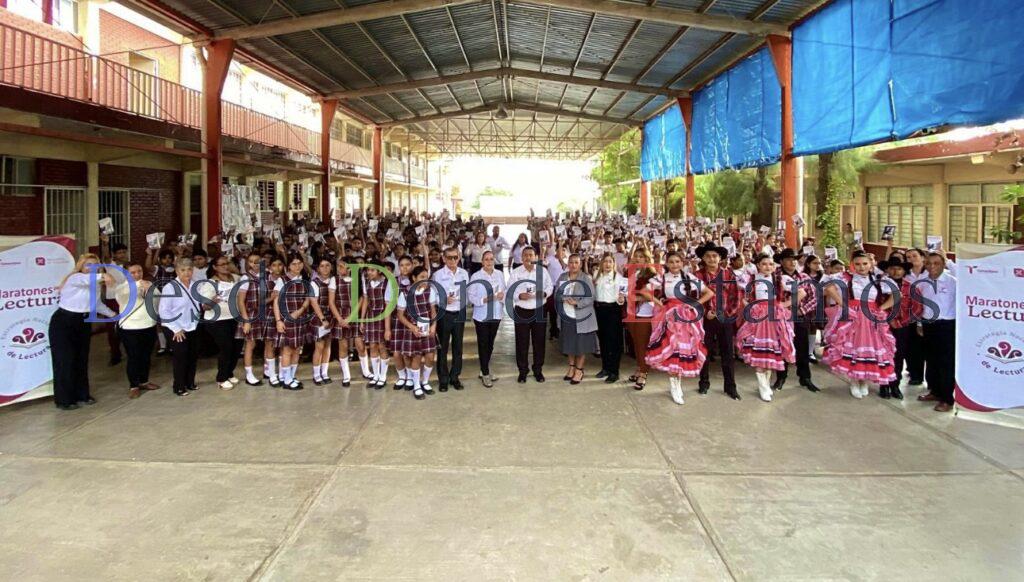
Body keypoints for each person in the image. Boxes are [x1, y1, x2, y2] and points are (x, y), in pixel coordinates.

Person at [822, 251, 897, 399]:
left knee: (870, 349)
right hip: (853, 317)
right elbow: (829, 289)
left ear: (871, 264)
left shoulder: (879, 279)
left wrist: (881, 308)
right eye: (857, 264)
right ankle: (854, 381)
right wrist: (844, 305)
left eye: (865, 264)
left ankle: (864, 381)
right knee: (853, 348)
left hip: (872, 318)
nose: (861, 267)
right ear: (853, 265)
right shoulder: (846, 278)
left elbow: (896, 295)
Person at [49, 253, 116, 410]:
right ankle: (64, 400)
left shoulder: (95, 284)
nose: (91, 268)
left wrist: (114, 315)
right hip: (64, 323)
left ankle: (82, 395)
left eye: (95, 265)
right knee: (65, 361)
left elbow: (97, 304)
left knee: (81, 359)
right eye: (88, 265)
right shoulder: (75, 278)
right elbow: (87, 280)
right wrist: (104, 275)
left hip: (83, 322)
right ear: (81, 266)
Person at [645, 252, 713, 404]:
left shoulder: (689, 277)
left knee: (683, 350)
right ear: (667, 263)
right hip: (669, 317)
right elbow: (644, 291)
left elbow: (709, 293)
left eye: (677, 261)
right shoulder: (662, 278)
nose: (675, 264)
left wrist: (695, 304)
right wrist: (659, 303)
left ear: (682, 263)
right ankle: (674, 386)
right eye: (671, 262)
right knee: (672, 349)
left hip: (686, 318)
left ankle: (678, 384)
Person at [735, 254, 801, 402]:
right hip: (758, 319)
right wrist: (751, 307)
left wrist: (783, 305)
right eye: (764, 264)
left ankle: (766, 384)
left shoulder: (780, 279)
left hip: (774, 318)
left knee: (771, 351)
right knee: (759, 351)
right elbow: (743, 297)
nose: (768, 267)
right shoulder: (751, 279)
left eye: (771, 264)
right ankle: (763, 387)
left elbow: (801, 292)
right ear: (758, 265)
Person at [693, 243, 742, 400]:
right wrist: (705, 312)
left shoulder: (729, 274)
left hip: (725, 318)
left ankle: (730, 386)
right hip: (705, 320)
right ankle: (704, 382)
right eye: (708, 256)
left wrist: (727, 313)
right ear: (703, 258)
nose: (711, 259)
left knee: (727, 353)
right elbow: (694, 297)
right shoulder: (697, 275)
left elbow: (736, 296)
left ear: (720, 258)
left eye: (714, 256)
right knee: (704, 352)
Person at [772, 248, 821, 392]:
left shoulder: (804, 277)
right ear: (781, 261)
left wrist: (802, 310)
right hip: (781, 317)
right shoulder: (775, 276)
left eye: (794, 259)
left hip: (799, 316)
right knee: (782, 346)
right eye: (788, 259)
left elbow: (814, 297)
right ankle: (781, 377)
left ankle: (805, 377)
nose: (792, 262)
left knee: (802, 347)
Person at [914, 252, 957, 412]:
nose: (932, 267)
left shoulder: (953, 281)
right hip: (928, 325)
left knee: (946, 363)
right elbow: (920, 304)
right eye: (928, 263)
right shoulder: (922, 281)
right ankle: (935, 391)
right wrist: (920, 323)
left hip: (946, 326)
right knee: (931, 360)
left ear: (943, 264)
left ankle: (947, 399)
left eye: (936, 263)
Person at [157, 258, 203, 397]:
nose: (186, 273)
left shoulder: (195, 285)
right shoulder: (170, 287)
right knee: (180, 356)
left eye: (189, 269)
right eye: (183, 270)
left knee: (193, 355)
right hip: (174, 327)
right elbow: (164, 311)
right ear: (177, 271)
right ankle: (179, 386)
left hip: (192, 325)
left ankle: (190, 382)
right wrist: (176, 328)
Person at [509, 246, 553, 383]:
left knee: (539, 342)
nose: (528, 257)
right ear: (521, 258)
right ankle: (523, 371)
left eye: (531, 255)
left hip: (539, 309)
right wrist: (519, 295)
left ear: (536, 257)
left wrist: (544, 293)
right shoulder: (516, 272)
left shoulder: (542, 271)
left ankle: (538, 370)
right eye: (525, 255)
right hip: (522, 310)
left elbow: (550, 286)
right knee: (522, 342)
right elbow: (510, 290)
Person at [115, 262, 160, 399]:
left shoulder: (149, 284)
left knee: (146, 355)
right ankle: (134, 385)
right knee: (134, 357)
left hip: (148, 325)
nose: (137, 274)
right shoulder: (121, 288)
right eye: (133, 272)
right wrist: (139, 285)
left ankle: (144, 381)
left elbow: (158, 301)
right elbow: (125, 296)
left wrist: (150, 289)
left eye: (139, 271)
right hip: (130, 327)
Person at [396, 266, 439, 400]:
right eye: (421, 277)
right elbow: (400, 315)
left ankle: (425, 382)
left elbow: (433, 311)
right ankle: (416, 386)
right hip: (413, 330)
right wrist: (412, 327)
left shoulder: (430, 291)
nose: (425, 280)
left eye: (426, 277)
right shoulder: (405, 293)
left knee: (430, 357)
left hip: (427, 329)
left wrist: (434, 326)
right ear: (414, 278)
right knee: (416, 357)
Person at [555, 254, 597, 385]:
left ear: (580, 264)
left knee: (580, 345)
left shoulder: (585, 278)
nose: (573, 265)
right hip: (566, 316)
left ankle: (579, 370)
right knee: (569, 344)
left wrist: (577, 303)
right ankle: (571, 367)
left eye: (576, 262)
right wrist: (562, 297)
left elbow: (591, 297)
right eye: (571, 262)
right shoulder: (563, 277)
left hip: (581, 317)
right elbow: (556, 294)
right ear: (568, 263)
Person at [432, 247, 470, 391]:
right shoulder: (437, 275)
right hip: (444, 313)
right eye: (449, 257)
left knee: (458, 346)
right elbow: (433, 295)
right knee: (443, 347)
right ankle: (443, 379)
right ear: (444, 258)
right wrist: (443, 300)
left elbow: (467, 292)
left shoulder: (464, 273)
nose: (453, 260)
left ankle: (455, 377)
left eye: (455, 257)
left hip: (459, 312)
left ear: (459, 258)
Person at [202, 255, 241, 390]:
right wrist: (213, 300)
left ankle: (229, 372)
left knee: (237, 347)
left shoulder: (236, 278)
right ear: (215, 267)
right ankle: (221, 378)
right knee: (226, 347)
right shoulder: (210, 283)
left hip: (234, 317)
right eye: (222, 264)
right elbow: (205, 307)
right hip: (217, 320)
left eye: (227, 263)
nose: (225, 266)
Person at [274, 255, 311, 391]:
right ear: (288, 266)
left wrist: (299, 311)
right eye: (293, 264)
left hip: (300, 318)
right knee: (287, 350)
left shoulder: (304, 279)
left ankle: (291, 376)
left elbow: (307, 299)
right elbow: (276, 302)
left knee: (297, 349)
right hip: (286, 319)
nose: (297, 266)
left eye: (299, 263)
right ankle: (286, 379)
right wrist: (278, 321)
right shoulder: (282, 280)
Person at [468, 251, 505, 387]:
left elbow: (505, 290)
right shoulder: (476, 276)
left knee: (490, 343)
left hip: (496, 313)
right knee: (483, 343)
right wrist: (484, 300)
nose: (489, 262)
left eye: (491, 259)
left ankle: (484, 368)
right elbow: (471, 296)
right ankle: (485, 373)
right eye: (486, 259)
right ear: (482, 262)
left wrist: (502, 296)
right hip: (482, 315)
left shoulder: (499, 274)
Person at [593, 254, 626, 384]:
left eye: (610, 262)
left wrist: (622, 298)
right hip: (599, 309)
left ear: (614, 264)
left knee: (613, 342)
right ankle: (605, 368)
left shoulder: (619, 278)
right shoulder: (597, 275)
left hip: (613, 310)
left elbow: (622, 296)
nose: (607, 264)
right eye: (605, 261)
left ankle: (614, 371)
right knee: (603, 340)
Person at [359, 260, 392, 389]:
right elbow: (366, 301)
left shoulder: (387, 283)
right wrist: (362, 320)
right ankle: (376, 375)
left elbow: (388, 305)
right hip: (371, 317)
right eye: (368, 270)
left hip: (383, 317)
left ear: (379, 271)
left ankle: (383, 376)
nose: (369, 272)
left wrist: (387, 328)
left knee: (382, 346)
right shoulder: (367, 283)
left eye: (372, 270)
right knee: (372, 346)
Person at [236, 253, 267, 386]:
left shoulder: (265, 276)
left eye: (257, 261)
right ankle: (249, 374)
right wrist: (246, 320)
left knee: (268, 342)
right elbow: (241, 301)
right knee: (250, 344)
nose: (255, 264)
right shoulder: (246, 278)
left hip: (264, 313)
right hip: (250, 314)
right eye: (251, 262)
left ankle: (267, 370)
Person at [328, 256, 357, 387]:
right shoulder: (335, 280)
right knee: (343, 346)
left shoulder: (357, 279)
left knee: (360, 345)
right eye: (338, 266)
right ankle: (346, 375)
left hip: (355, 314)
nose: (338, 268)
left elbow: (361, 299)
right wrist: (339, 319)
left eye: (341, 266)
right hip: (340, 315)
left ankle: (366, 371)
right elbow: (331, 302)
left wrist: (351, 317)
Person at [308, 259, 335, 386]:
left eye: (327, 265)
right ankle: (316, 374)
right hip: (320, 317)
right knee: (319, 346)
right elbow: (314, 303)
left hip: (331, 316)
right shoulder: (314, 283)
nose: (325, 268)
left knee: (328, 345)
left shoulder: (333, 281)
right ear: (318, 269)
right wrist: (323, 319)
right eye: (322, 266)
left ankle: (324, 372)